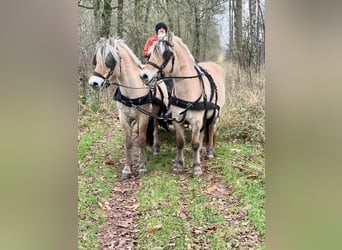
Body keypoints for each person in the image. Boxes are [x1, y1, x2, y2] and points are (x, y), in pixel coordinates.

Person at [143, 22, 174, 122]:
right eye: (159, 28)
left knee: (170, 85)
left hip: (165, 70)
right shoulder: (151, 40)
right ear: (157, 31)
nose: (161, 29)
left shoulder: (168, 41)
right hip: (153, 68)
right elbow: (144, 53)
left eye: (163, 28)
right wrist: (154, 50)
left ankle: (170, 108)